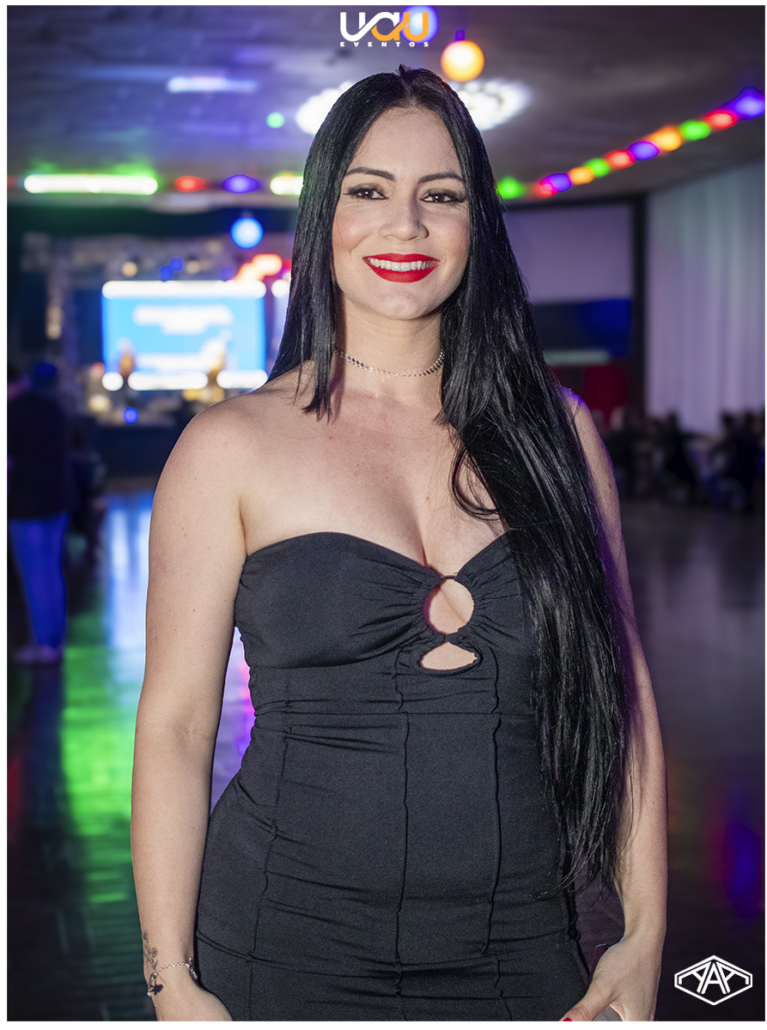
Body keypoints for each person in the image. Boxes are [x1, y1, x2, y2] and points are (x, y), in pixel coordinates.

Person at [131, 67, 666, 1021]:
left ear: (476, 223)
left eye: (441, 196)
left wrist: (643, 934)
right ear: (322, 216)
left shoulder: (559, 435)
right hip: (281, 946)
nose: (405, 227)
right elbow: (175, 729)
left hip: (523, 949)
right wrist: (171, 978)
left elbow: (619, 699)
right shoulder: (230, 447)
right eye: (369, 191)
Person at [8, 361, 76, 664]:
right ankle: (54, 641)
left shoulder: (11, 413)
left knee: (34, 575)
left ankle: (42, 644)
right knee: (51, 571)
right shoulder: (51, 407)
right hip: (58, 499)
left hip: (25, 505)